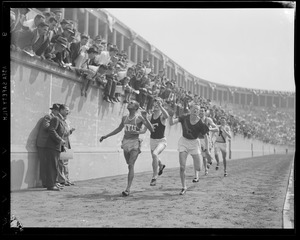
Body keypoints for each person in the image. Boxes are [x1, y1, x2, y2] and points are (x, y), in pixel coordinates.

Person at [99, 100, 154, 197]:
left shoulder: (139, 118)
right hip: (126, 143)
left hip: (134, 144)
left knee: (131, 165)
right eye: (129, 103)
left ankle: (128, 189)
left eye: (132, 103)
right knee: (128, 164)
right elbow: (119, 129)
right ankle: (128, 185)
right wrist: (106, 136)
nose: (129, 103)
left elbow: (152, 129)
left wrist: (146, 118)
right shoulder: (125, 118)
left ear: (136, 107)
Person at [169, 104, 212, 195]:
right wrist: (170, 116)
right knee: (182, 167)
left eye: (198, 109)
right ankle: (184, 187)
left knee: (199, 168)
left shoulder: (201, 123)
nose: (196, 110)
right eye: (194, 109)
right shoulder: (184, 117)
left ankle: (199, 164)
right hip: (184, 142)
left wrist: (207, 150)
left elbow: (206, 137)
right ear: (191, 109)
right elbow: (171, 123)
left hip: (194, 143)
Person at [139, 98, 169, 186]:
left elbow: (167, 116)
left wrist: (161, 106)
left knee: (155, 154)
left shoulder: (162, 117)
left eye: (158, 103)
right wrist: (135, 132)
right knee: (154, 157)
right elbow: (144, 130)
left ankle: (154, 177)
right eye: (155, 103)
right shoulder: (149, 117)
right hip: (152, 140)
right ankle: (161, 165)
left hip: (161, 141)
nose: (156, 105)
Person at [44, 104, 70, 191]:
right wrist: (60, 140)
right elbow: (51, 130)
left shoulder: (61, 120)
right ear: (61, 110)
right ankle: (51, 185)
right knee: (52, 166)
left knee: (55, 166)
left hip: (56, 147)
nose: (68, 112)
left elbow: (61, 132)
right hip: (52, 146)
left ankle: (54, 183)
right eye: (66, 110)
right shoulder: (56, 118)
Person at [36, 103, 60, 187]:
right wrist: (54, 123)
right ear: (53, 110)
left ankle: (49, 182)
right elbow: (46, 127)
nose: (58, 112)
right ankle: (44, 182)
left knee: (48, 164)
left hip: (47, 145)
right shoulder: (48, 117)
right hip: (43, 144)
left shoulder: (55, 118)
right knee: (44, 163)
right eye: (57, 110)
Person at [197, 106, 219, 178]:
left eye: (202, 111)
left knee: (207, 153)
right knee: (203, 156)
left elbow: (216, 129)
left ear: (205, 112)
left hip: (207, 140)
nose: (201, 112)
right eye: (200, 111)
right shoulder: (196, 119)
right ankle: (206, 169)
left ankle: (209, 161)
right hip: (200, 139)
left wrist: (209, 128)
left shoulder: (208, 119)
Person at [57, 109, 75, 186]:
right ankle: (62, 180)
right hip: (62, 144)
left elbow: (66, 133)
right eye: (66, 111)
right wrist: (69, 131)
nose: (68, 113)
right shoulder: (59, 120)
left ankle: (66, 179)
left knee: (66, 163)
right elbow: (61, 133)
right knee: (61, 163)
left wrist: (70, 131)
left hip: (67, 144)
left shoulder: (65, 121)